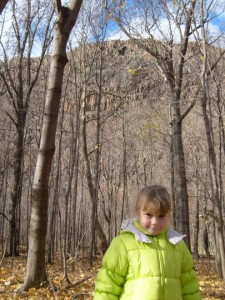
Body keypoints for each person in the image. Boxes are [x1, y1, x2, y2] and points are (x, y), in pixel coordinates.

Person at [94, 185, 201, 300]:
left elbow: (189, 285)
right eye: (149, 215)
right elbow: (108, 284)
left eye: (161, 216)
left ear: (168, 215)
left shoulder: (177, 244)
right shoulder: (123, 243)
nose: (155, 222)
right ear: (138, 212)